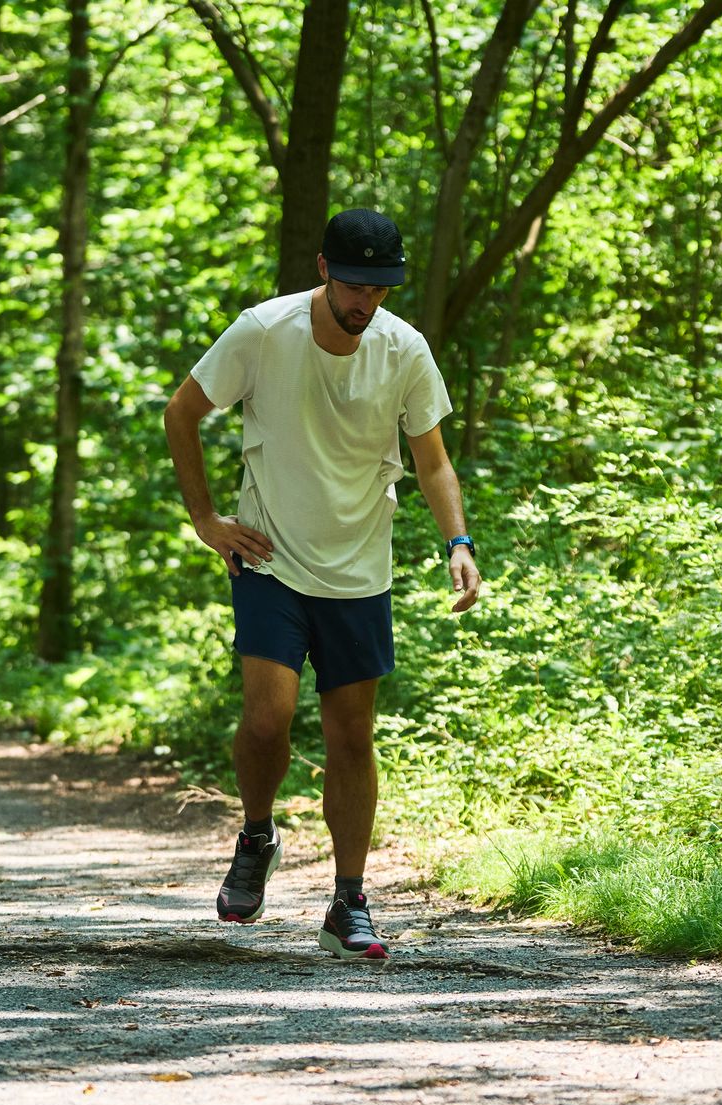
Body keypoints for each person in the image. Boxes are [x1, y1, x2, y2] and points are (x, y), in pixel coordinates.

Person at [163, 208, 480, 960]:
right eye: (356, 285)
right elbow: (182, 413)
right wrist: (206, 518)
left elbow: (431, 459)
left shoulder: (403, 348)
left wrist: (457, 542)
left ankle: (348, 901)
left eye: (382, 287)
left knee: (351, 735)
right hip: (270, 559)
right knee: (268, 719)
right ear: (323, 269)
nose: (367, 302)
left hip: (359, 568)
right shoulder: (264, 332)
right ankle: (256, 834)